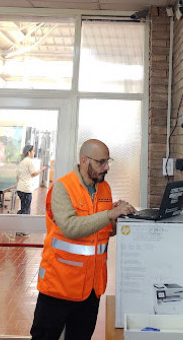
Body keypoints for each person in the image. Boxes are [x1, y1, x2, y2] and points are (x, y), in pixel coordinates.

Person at [30, 139, 136, 340]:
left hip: (91, 289)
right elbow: (71, 228)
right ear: (84, 160)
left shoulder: (104, 189)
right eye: (101, 162)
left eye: (108, 162)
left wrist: (119, 218)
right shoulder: (62, 188)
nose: (106, 168)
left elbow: (105, 232)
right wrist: (109, 215)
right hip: (59, 286)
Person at [16, 144, 47, 215]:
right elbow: (34, 174)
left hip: (20, 189)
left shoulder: (21, 162)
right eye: (33, 151)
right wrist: (42, 169)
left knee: (23, 209)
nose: (34, 153)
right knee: (26, 211)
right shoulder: (28, 162)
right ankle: (22, 224)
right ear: (28, 152)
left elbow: (18, 176)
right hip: (26, 190)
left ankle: (18, 221)